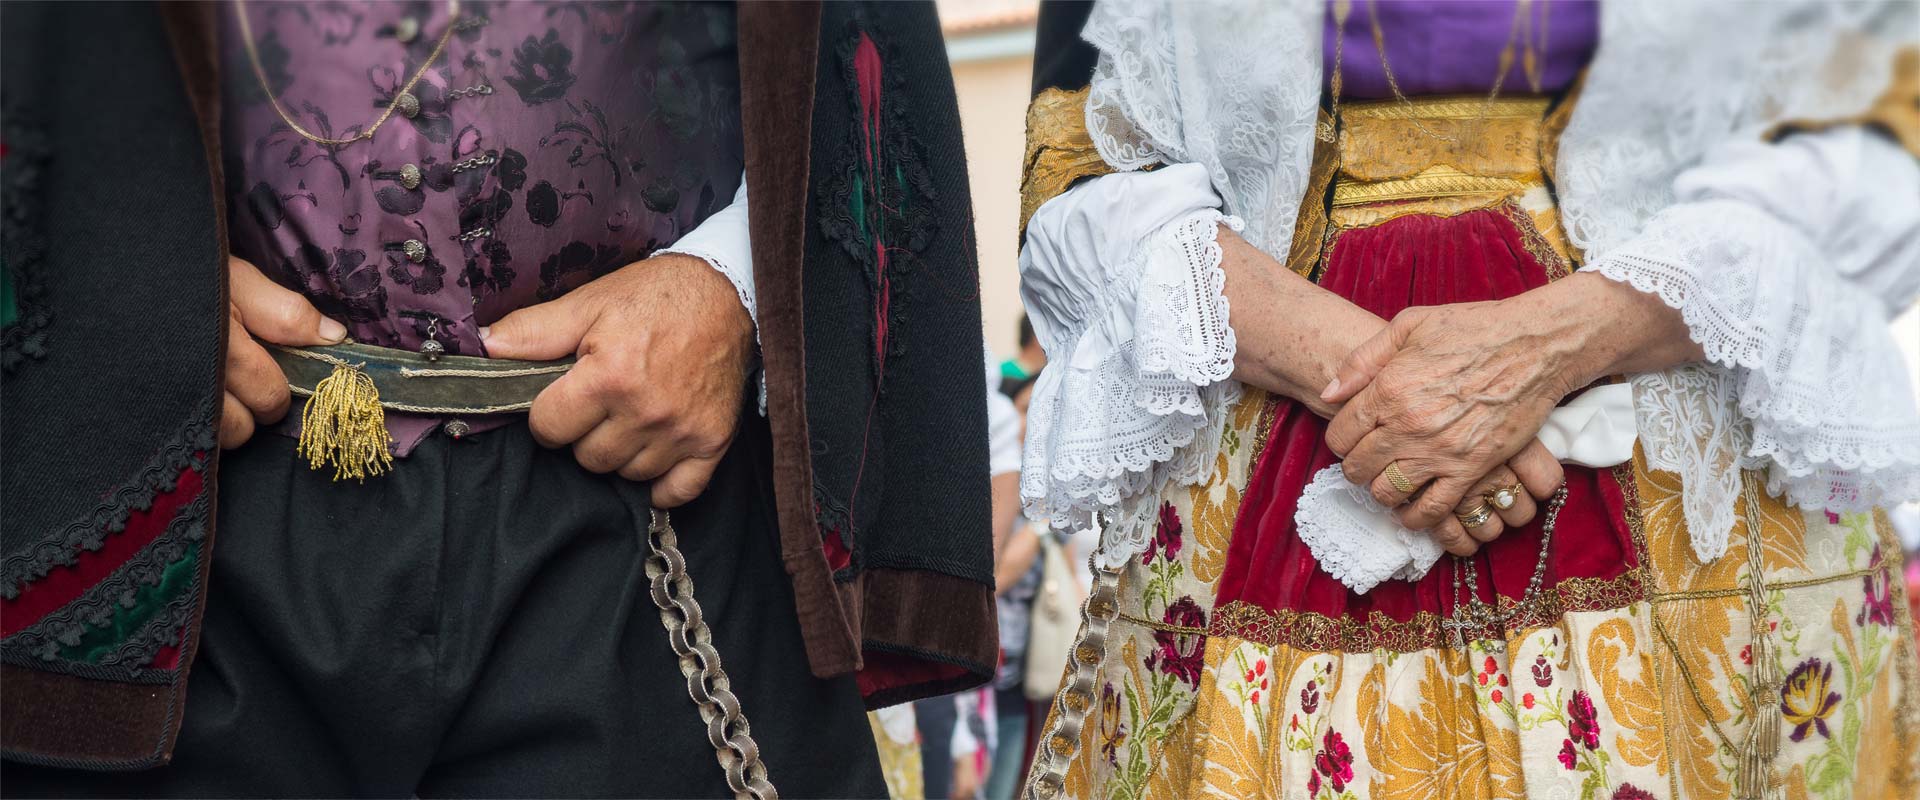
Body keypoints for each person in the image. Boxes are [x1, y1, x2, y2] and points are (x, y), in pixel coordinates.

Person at [0, 2, 997, 795]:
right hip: (198, 505)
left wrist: (735, 284)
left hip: (642, 495)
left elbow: (843, 53)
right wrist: (107, 263)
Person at [1016, 1, 1920, 798]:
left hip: (1690, 469)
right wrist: (1397, 383)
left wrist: (1556, 342)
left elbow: (1885, 120)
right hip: (1263, 404)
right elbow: (1074, 173)